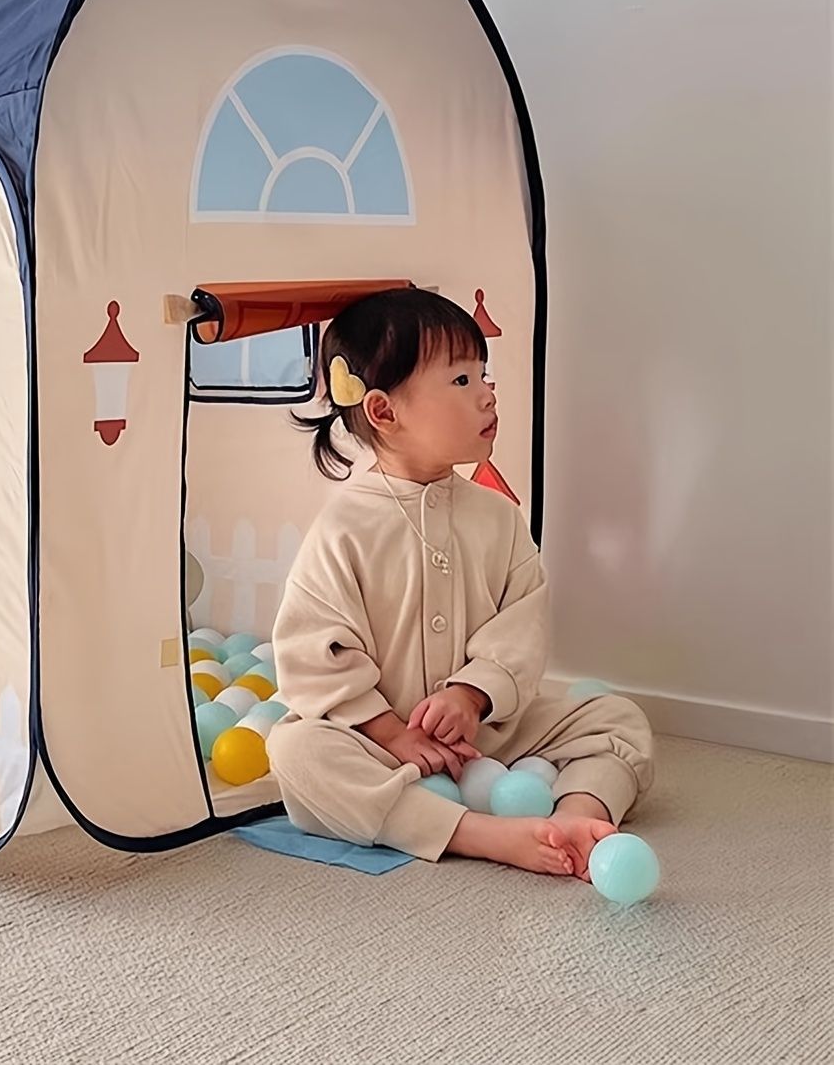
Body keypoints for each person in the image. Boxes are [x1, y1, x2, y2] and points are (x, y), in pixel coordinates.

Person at [266, 288, 653, 878]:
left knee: (616, 717)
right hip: (377, 742)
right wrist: (389, 732)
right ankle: (480, 834)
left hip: (490, 735)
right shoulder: (343, 529)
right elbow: (314, 651)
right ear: (384, 412)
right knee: (297, 750)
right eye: (461, 380)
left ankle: (576, 817)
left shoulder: (498, 517)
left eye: (483, 375)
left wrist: (471, 696)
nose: (488, 394)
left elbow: (521, 625)